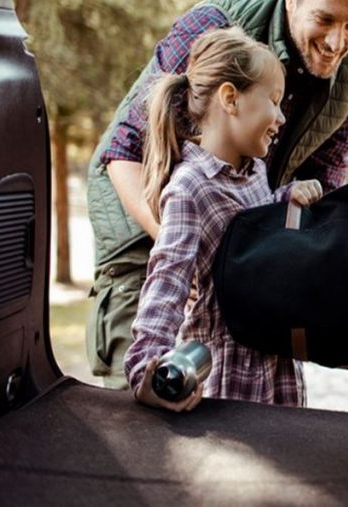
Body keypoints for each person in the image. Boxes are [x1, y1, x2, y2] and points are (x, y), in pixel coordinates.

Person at [86, 0, 348, 388]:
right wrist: (188, 251)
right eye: (325, 19)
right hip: (148, 226)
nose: (336, 42)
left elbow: (322, 196)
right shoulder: (214, 25)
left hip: (240, 249)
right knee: (146, 400)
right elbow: (124, 151)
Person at [124, 27, 323, 411]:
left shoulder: (254, 171)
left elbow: (252, 235)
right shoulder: (190, 188)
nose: (281, 117)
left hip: (275, 367)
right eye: (275, 101)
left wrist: (285, 199)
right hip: (229, 376)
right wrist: (144, 372)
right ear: (230, 99)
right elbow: (166, 284)